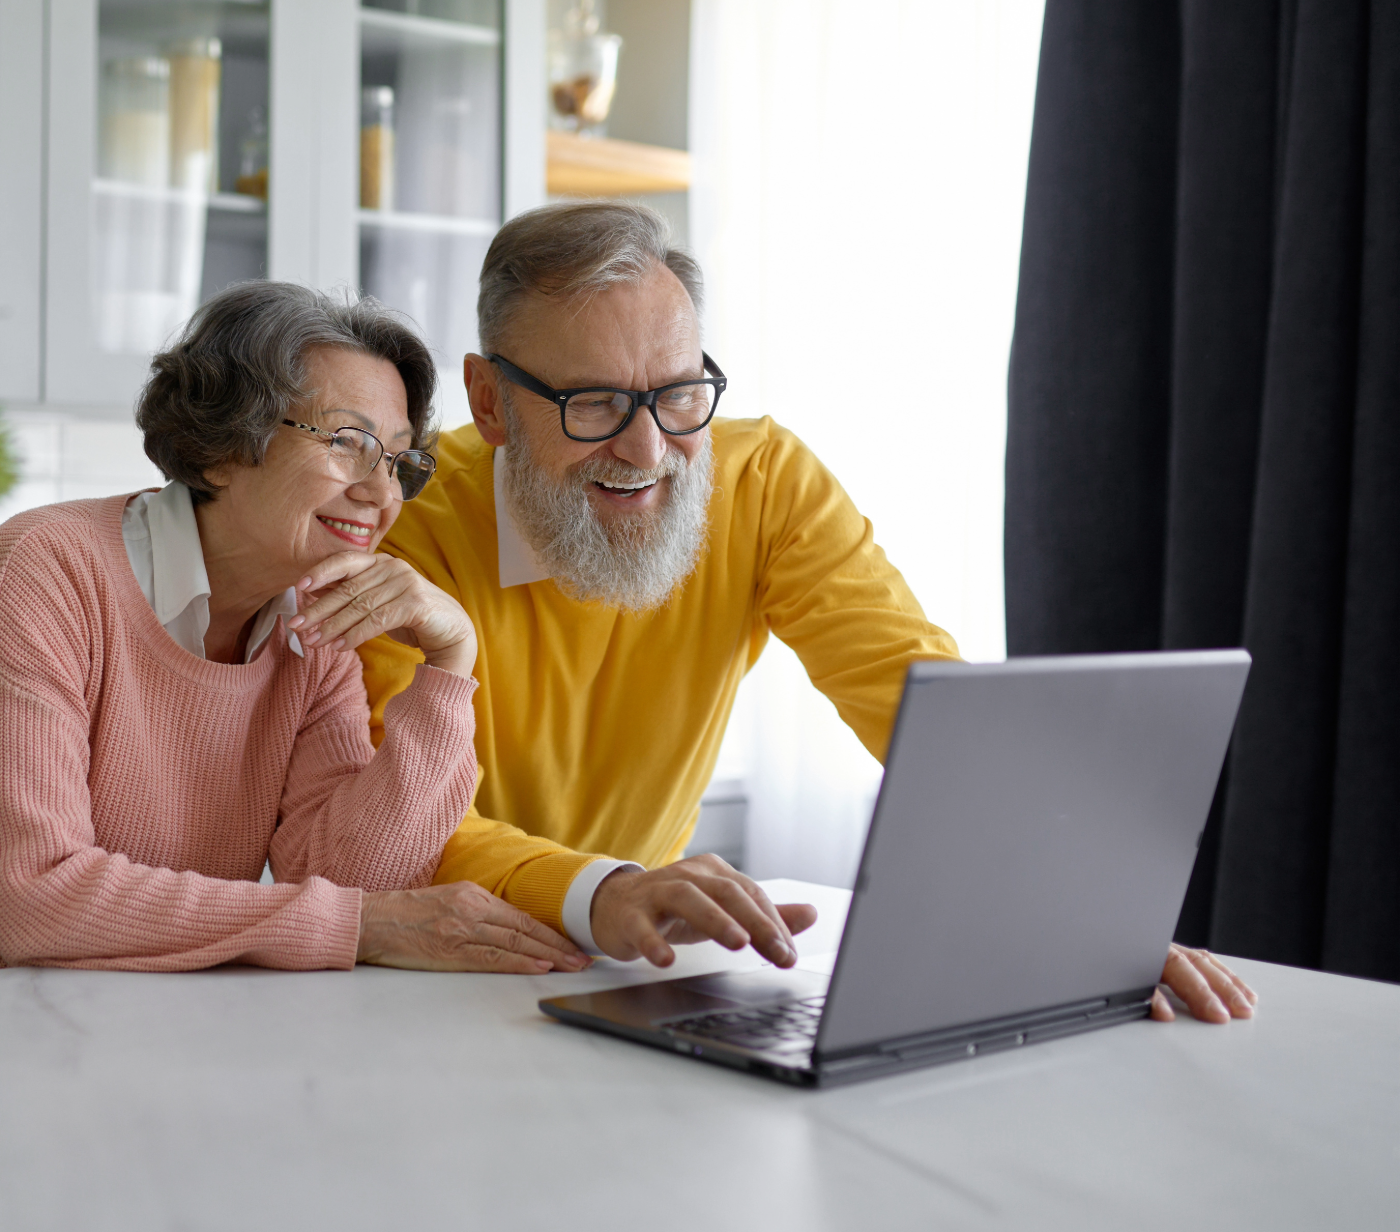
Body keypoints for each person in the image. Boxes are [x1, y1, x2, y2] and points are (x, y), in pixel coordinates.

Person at [301, 201, 1254, 1023]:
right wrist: (605, 888)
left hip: (636, 971)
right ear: (490, 400)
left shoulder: (763, 482)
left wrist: (1087, 912)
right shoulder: (399, 523)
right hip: (419, 977)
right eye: (592, 403)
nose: (648, 449)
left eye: (678, 395)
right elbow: (399, 823)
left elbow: (924, 703)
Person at [0, 283, 591, 985]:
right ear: (223, 447)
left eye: (398, 460)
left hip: (101, 1037)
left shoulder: (313, 628)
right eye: (347, 441)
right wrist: (355, 925)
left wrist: (452, 665)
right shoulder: (45, 570)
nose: (381, 491)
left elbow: (357, 881)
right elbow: (39, 896)